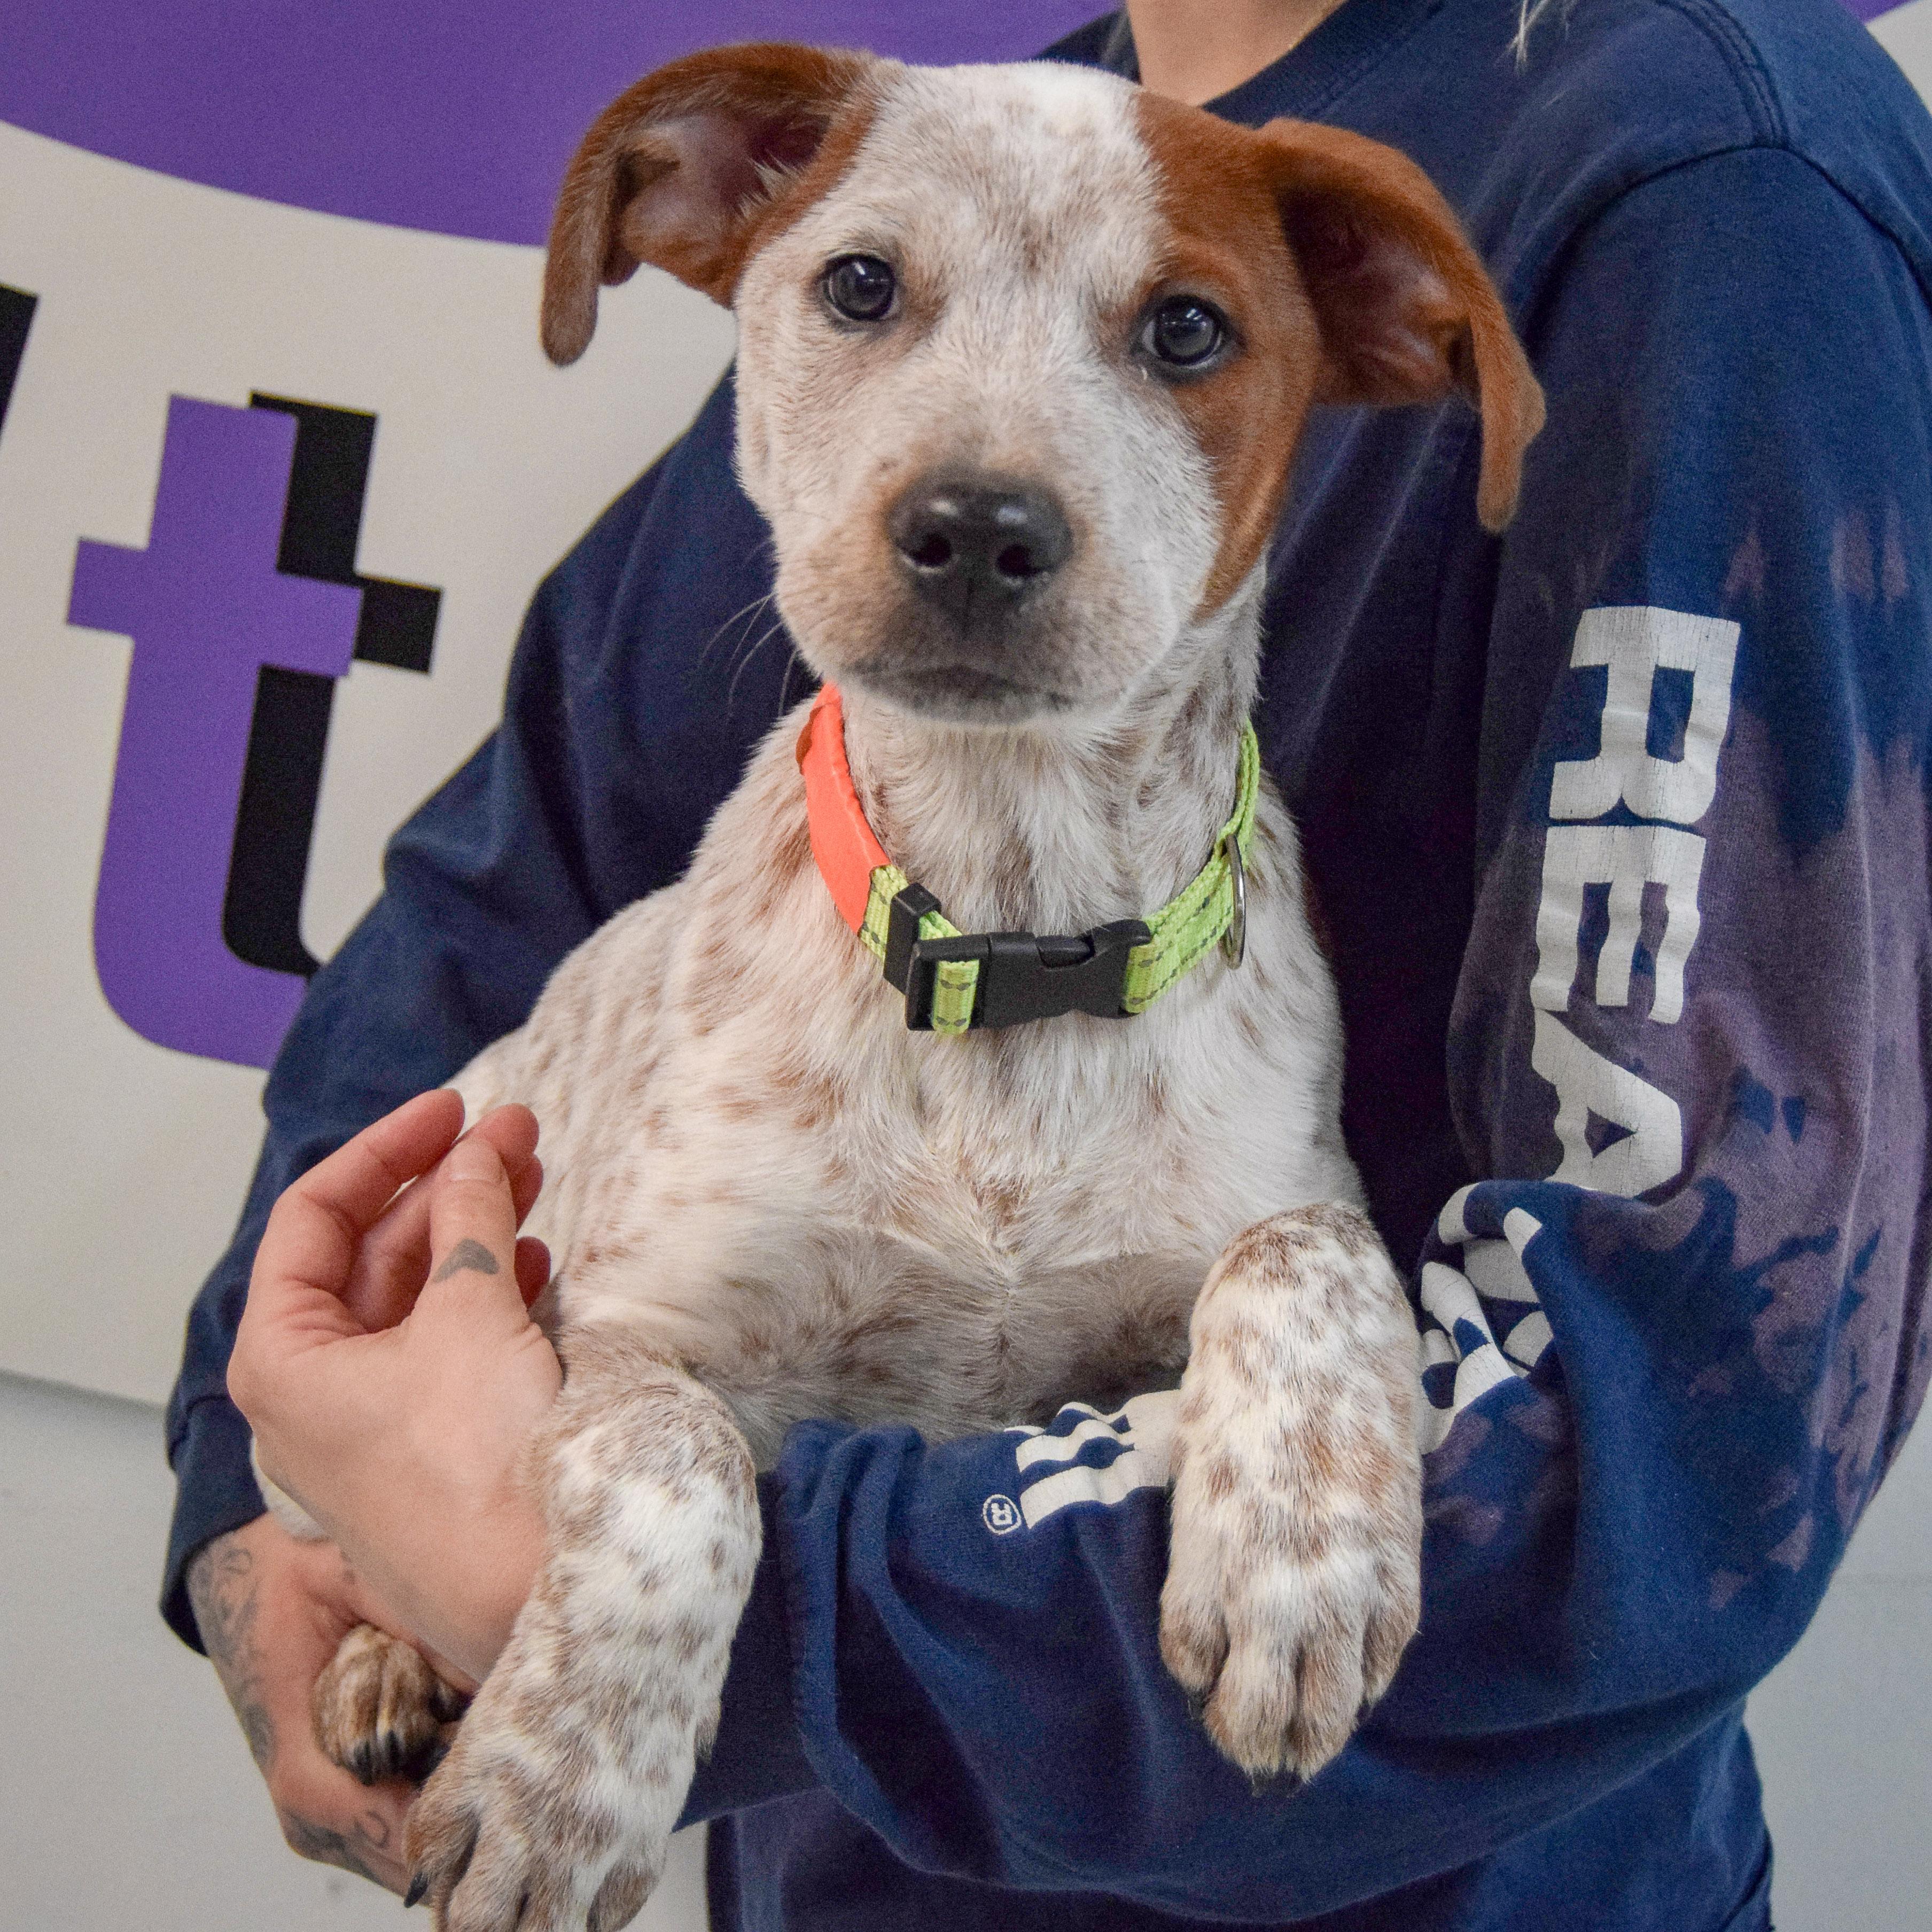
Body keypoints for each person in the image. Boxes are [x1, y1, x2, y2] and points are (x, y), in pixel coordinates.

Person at [165, 0, 1932, 1925]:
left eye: (1176, 333)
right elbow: (508, 906)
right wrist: (263, 1524)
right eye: (863, 297)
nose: (976, 498)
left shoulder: (1701, 170)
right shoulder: (976, 139)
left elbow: (1689, 1401)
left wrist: (671, 1603)